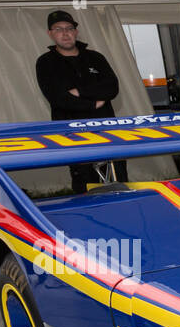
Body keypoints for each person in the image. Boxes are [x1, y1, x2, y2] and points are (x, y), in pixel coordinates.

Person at [35, 10, 125, 194]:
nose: (65, 33)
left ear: (76, 31)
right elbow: (58, 98)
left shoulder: (96, 58)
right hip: (73, 134)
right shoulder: (46, 63)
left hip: (106, 129)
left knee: (118, 180)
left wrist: (80, 91)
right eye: (59, 29)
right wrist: (93, 103)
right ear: (50, 33)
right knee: (84, 183)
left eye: (69, 28)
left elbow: (112, 88)